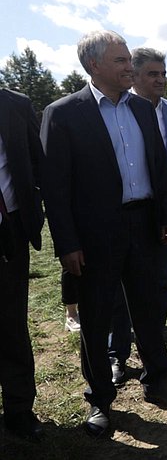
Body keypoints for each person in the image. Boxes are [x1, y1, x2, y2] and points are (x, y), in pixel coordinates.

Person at [40, 30, 167, 438]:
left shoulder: (142, 108)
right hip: (96, 233)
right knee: (97, 318)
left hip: (145, 224)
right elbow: (55, 187)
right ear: (94, 66)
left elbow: (159, 166)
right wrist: (67, 243)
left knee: (149, 305)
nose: (130, 68)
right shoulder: (64, 113)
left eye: (129, 61)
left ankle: (156, 373)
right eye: (121, 61)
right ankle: (100, 398)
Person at [107, 47, 167, 386]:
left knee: (161, 284)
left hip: (165, 217)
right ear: (135, 75)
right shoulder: (120, 110)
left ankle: (154, 350)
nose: (160, 80)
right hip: (127, 214)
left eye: (163, 73)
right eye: (152, 74)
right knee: (119, 291)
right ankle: (116, 354)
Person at [0, 88, 46, 442]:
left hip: (8, 231)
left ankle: (18, 410)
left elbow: (39, 164)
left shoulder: (16, 104)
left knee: (11, 323)